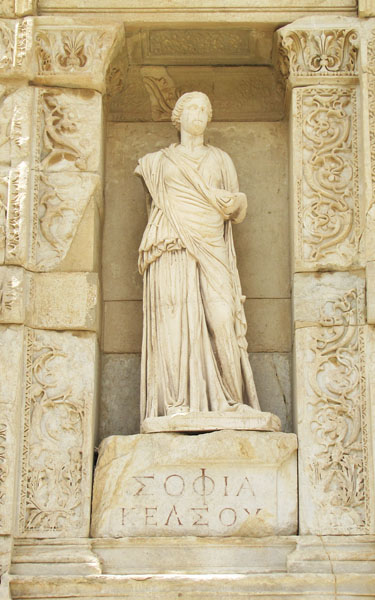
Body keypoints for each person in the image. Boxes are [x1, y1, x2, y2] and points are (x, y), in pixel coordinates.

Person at [135, 91, 263, 428]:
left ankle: (232, 401)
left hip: (211, 245)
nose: (199, 114)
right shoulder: (156, 162)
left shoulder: (221, 160)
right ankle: (177, 404)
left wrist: (233, 202)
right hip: (171, 245)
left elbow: (235, 209)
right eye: (192, 107)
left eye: (205, 109)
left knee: (223, 318)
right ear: (178, 115)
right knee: (175, 323)